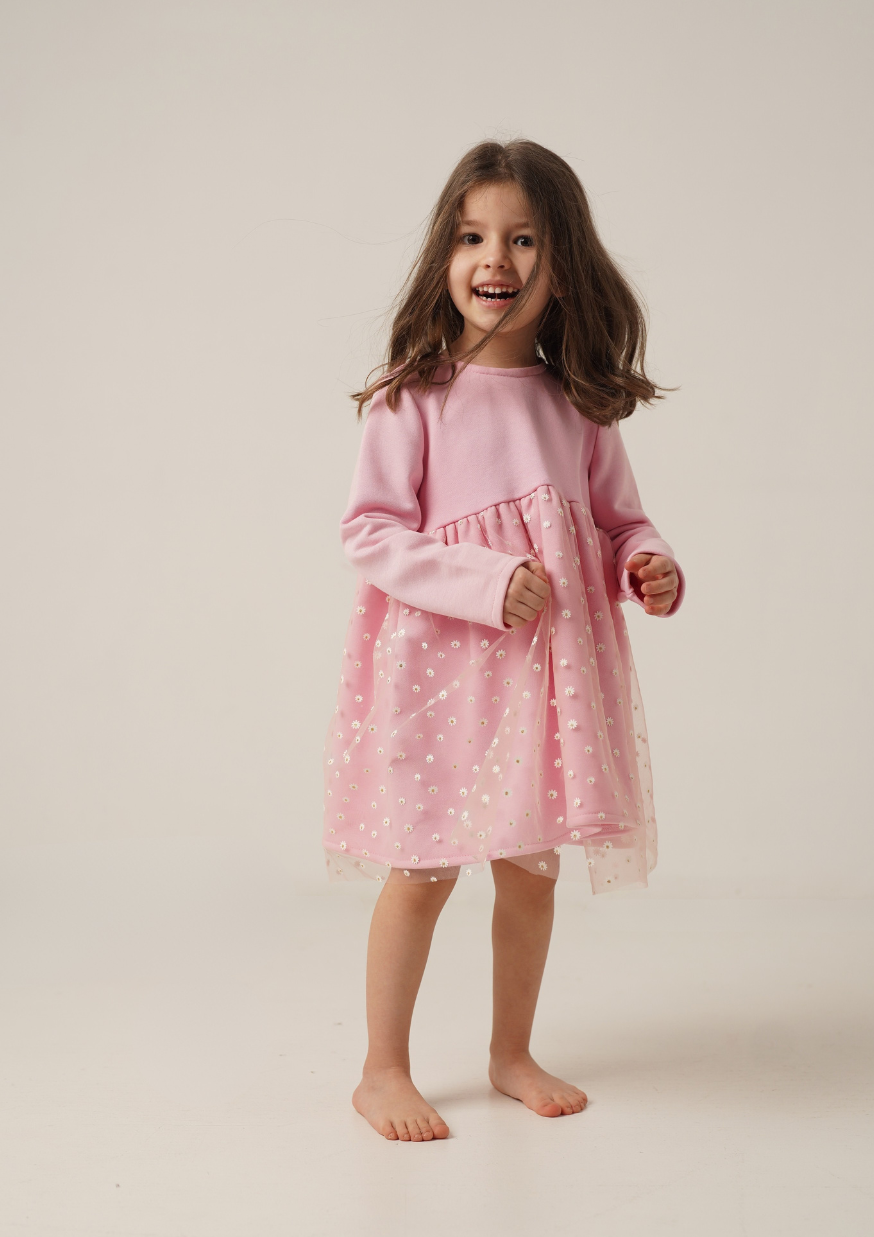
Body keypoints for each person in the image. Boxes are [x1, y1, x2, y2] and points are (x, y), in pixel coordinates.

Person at [322, 139, 686, 1142]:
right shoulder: (411, 396)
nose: (496, 258)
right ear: (444, 257)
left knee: (530, 870)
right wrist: (483, 581)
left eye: (524, 239)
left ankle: (510, 1051)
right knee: (421, 872)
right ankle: (381, 1069)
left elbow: (617, 522)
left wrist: (645, 563)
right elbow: (369, 532)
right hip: (438, 680)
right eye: (473, 237)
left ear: (563, 264)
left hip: (541, 684)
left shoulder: (578, 403)